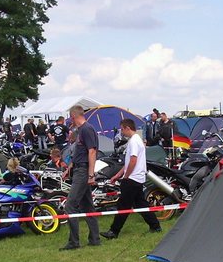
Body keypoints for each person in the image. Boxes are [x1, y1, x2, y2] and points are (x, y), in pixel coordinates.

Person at [101, 119, 162, 239]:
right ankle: (155, 226)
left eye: (122, 129)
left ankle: (114, 231)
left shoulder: (133, 142)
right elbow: (128, 161)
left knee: (123, 206)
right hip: (137, 178)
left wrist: (126, 176)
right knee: (141, 204)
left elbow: (133, 161)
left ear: (127, 128)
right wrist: (118, 174)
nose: (122, 132)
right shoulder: (137, 140)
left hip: (132, 179)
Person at [60, 104, 100, 250]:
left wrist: (91, 174)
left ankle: (74, 242)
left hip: (83, 172)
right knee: (87, 206)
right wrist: (69, 169)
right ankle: (95, 239)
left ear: (73, 116)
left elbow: (92, 152)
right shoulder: (81, 131)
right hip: (78, 169)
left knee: (70, 205)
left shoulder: (87, 129)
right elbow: (80, 153)